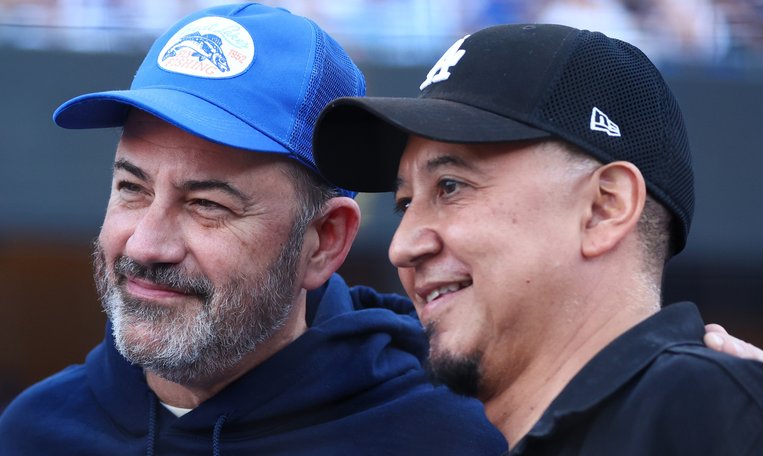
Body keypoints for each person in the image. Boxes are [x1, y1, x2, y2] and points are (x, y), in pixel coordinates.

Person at [0, 4, 507, 455]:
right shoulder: (33, 433)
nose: (146, 245)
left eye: (206, 204)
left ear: (324, 241)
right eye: (132, 189)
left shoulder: (447, 438)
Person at [312, 23, 763, 454]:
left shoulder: (716, 419)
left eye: (450, 187)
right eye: (404, 204)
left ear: (604, 208)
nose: (402, 247)